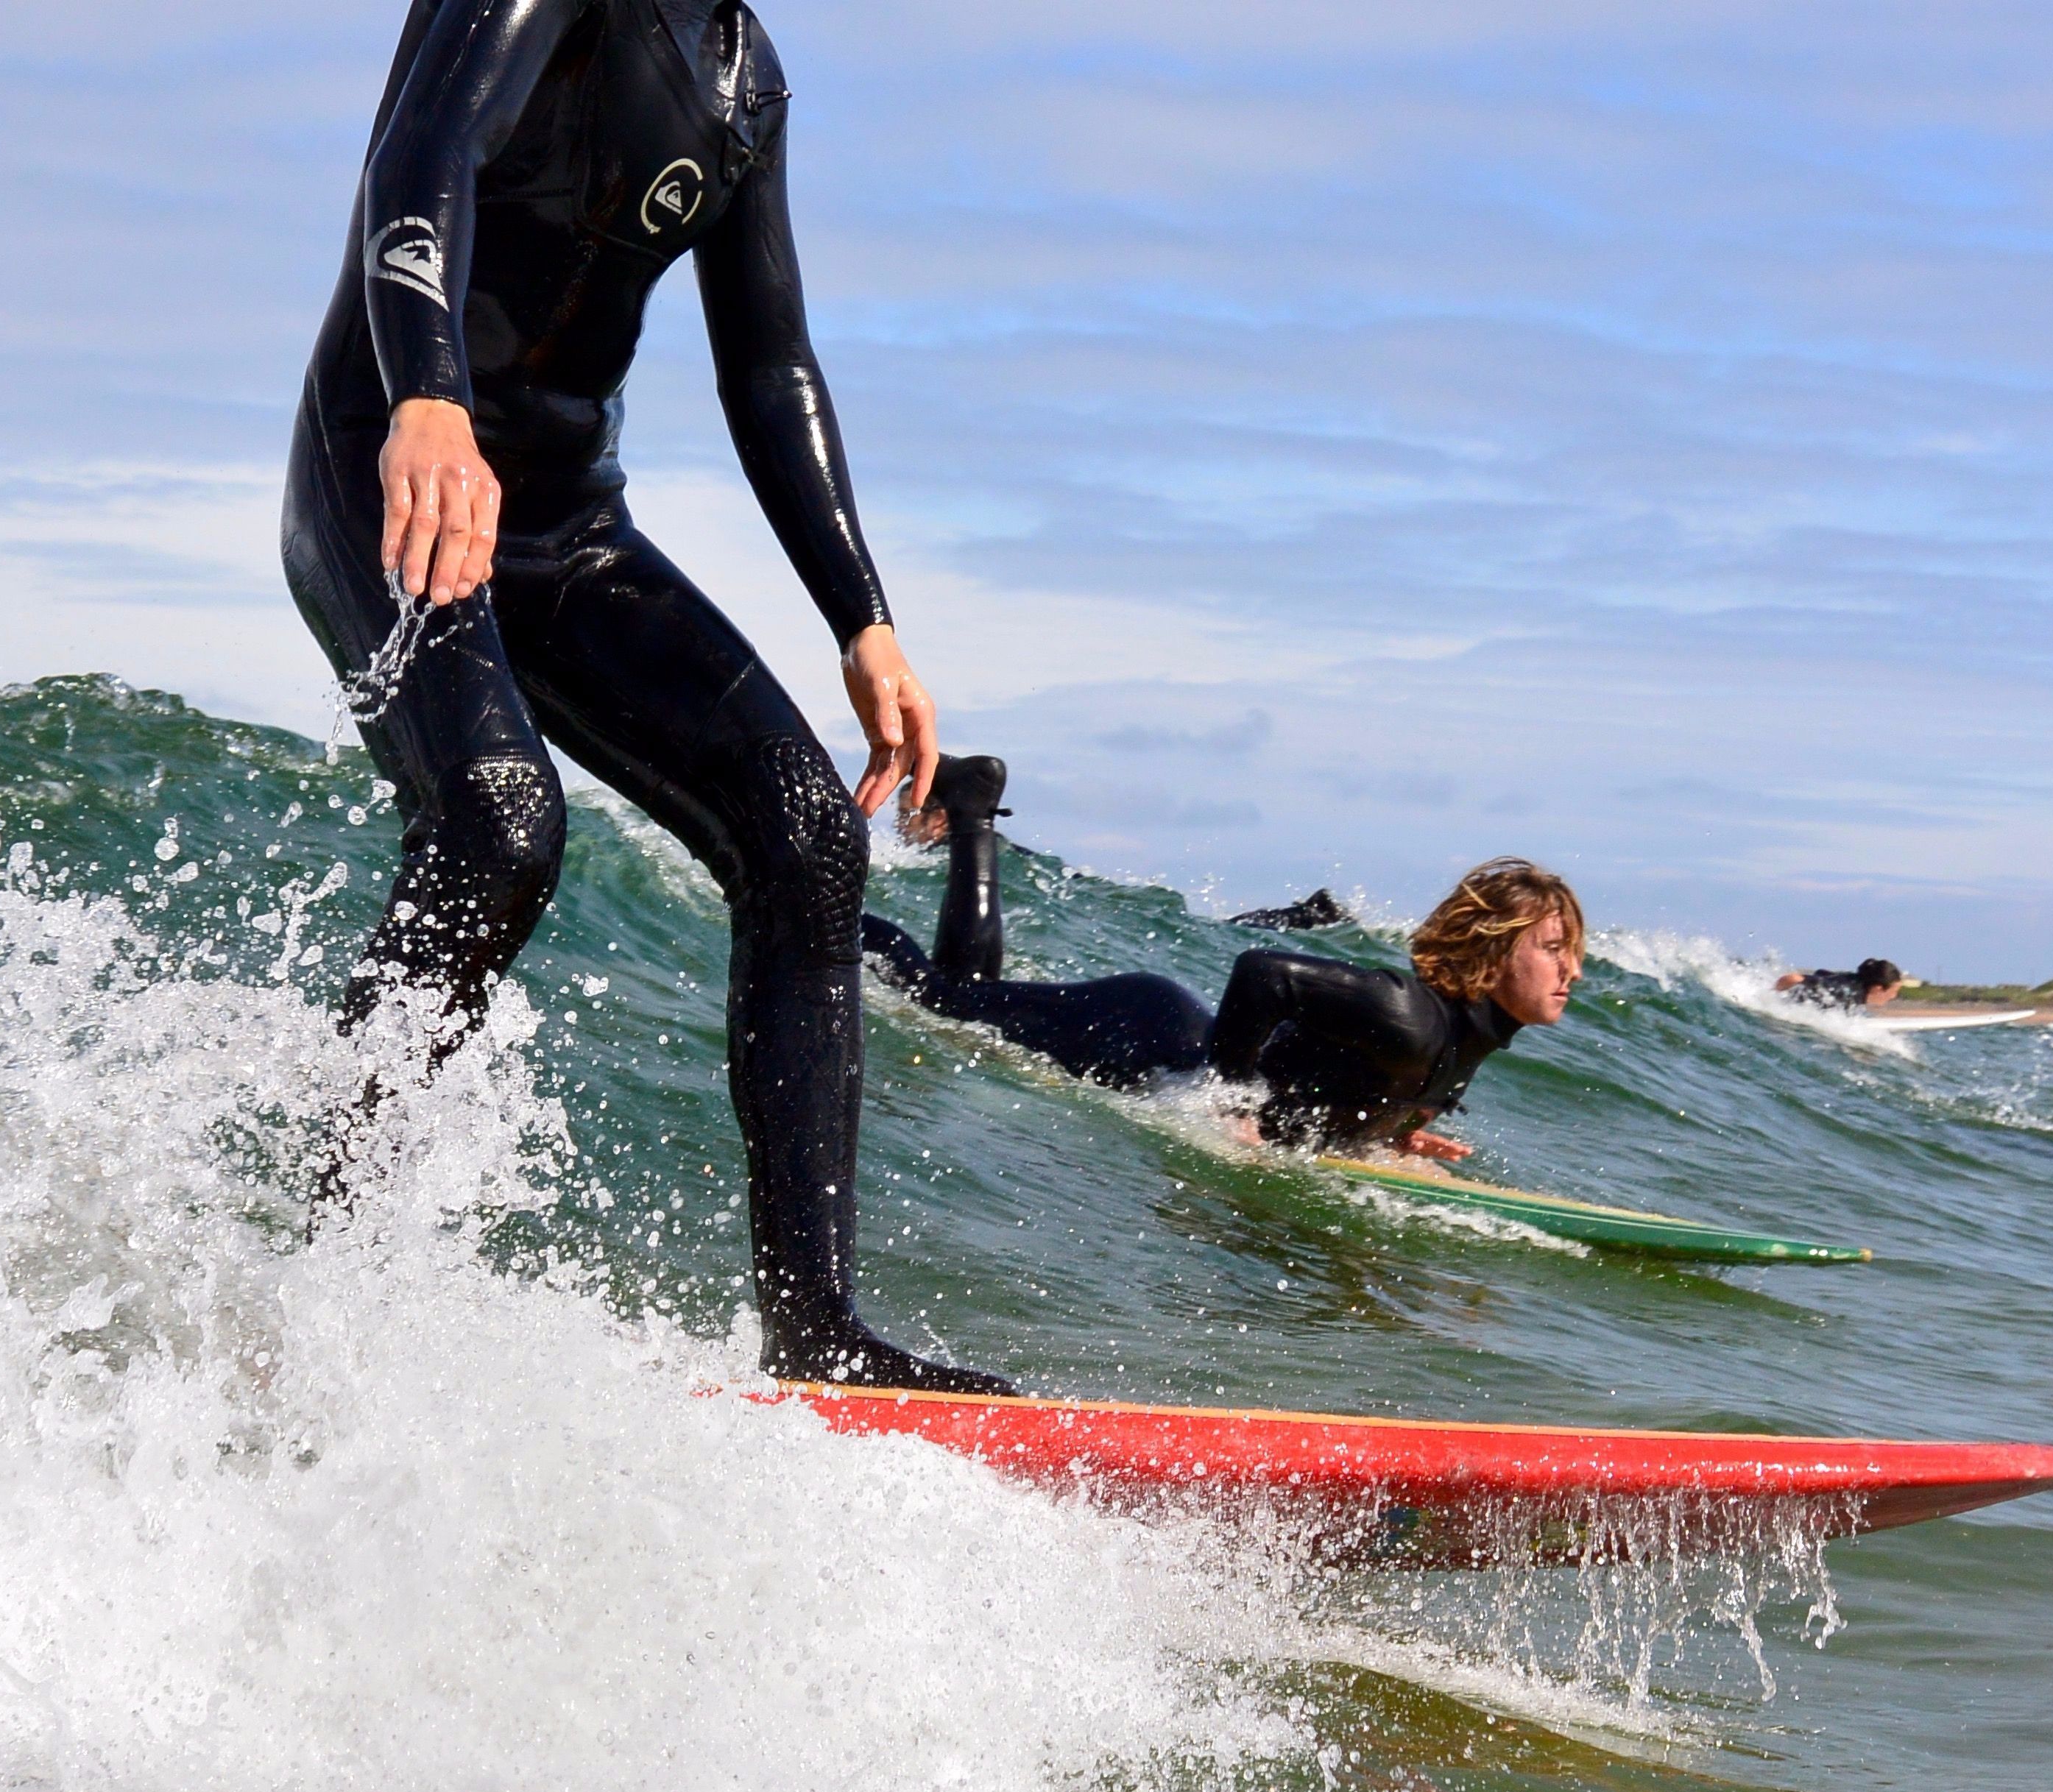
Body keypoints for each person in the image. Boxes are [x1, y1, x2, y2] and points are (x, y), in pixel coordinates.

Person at [283, 0, 1006, 1393]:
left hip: (561, 525)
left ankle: (815, 1326)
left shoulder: (748, 81)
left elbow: (770, 360)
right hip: (389, 468)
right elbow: (421, 152)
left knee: (807, 833)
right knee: (500, 824)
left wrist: (864, 618)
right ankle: (329, 1262)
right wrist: (424, 399)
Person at [861, 758, 1581, 1160]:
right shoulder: (1410, 1015)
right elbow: (1261, 974)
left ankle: (970, 808)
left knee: (964, 992)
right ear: (1491, 951)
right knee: (938, 1000)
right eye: (1552, 949)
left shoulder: (1463, 1040)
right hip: (1138, 1038)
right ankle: (825, 904)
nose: (1571, 971)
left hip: (1160, 1032)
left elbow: (1333, 1076)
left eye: (1572, 954)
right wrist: (1226, 1102)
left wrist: (1393, 1131)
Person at [1778, 957, 1904, 1011]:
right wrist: (1771, 993)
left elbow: (1822, 973)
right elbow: (1794, 978)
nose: (1893, 996)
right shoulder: (1847, 992)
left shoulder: (1855, 983)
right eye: (1893, 992)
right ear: (1878, 988)